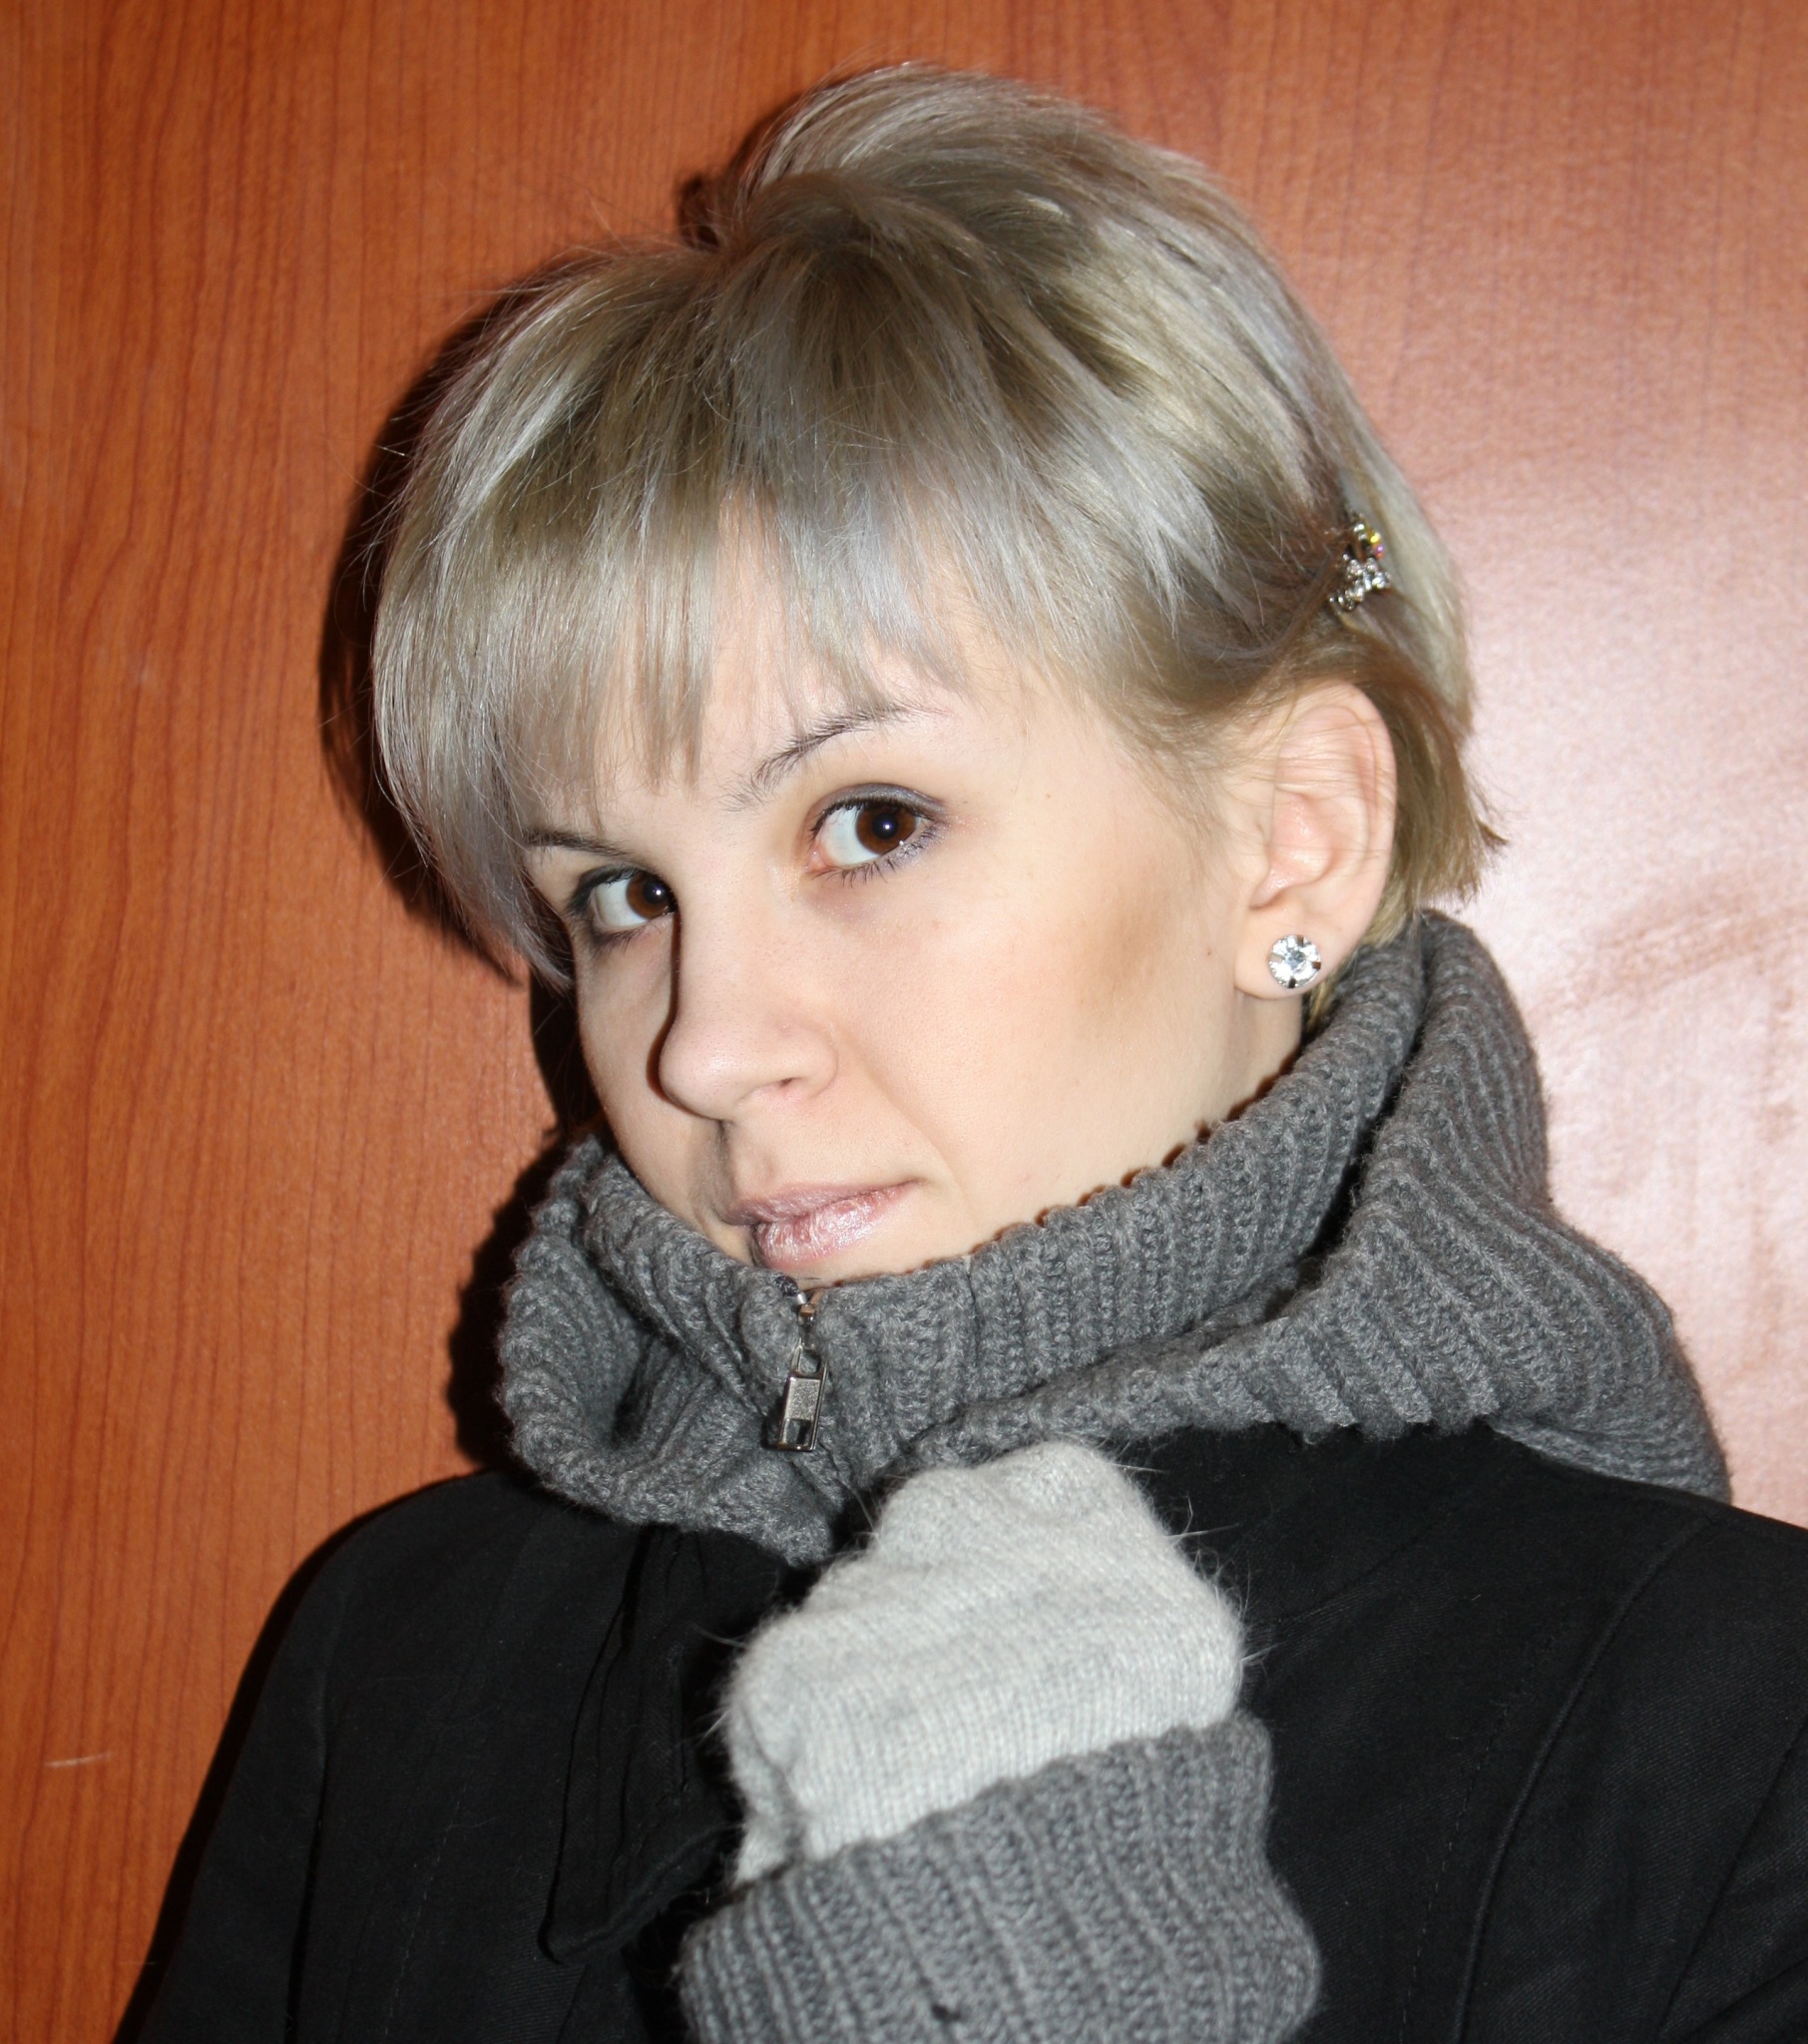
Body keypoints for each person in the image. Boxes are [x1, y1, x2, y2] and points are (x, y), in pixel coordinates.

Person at [142, 65, 1808, 2044]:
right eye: (622, 894)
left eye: (870, 824)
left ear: (1294, 836)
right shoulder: (401, 1656)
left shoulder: (1735, 1736)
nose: (704, 1050)